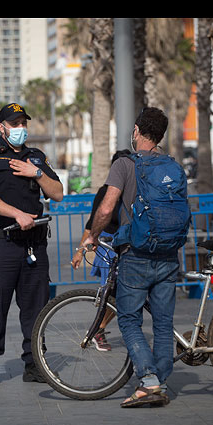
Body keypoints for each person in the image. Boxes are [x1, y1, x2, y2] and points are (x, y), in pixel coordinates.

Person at [81, 107, 178, 407]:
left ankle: (148, 381)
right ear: (161, 135)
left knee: (129, 320)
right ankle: (159, 383)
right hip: (168, 253)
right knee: (163, 324)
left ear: (135, 131)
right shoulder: (173, 166)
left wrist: (92, 235)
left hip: (135, 254)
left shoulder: (125, 164)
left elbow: (107, 208)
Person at [0, 103, 63, 387]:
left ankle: (34, 364)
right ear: (2, 128)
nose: (20, 128)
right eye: (15, 124)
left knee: (36, 308)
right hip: (0, 244)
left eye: (24, 123)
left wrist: (35, 173)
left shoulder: (35, 157)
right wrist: (16, 214)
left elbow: (57, 193)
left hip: (33, 245)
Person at [71, 150, 127, 352]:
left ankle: (99, 329)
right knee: (111, 294)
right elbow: (92, 222)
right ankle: (97, 330)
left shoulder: (133, 191)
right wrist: (79, 251)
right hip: (109, 248)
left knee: (124, 296)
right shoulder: (105, 192)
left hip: (127, 248)